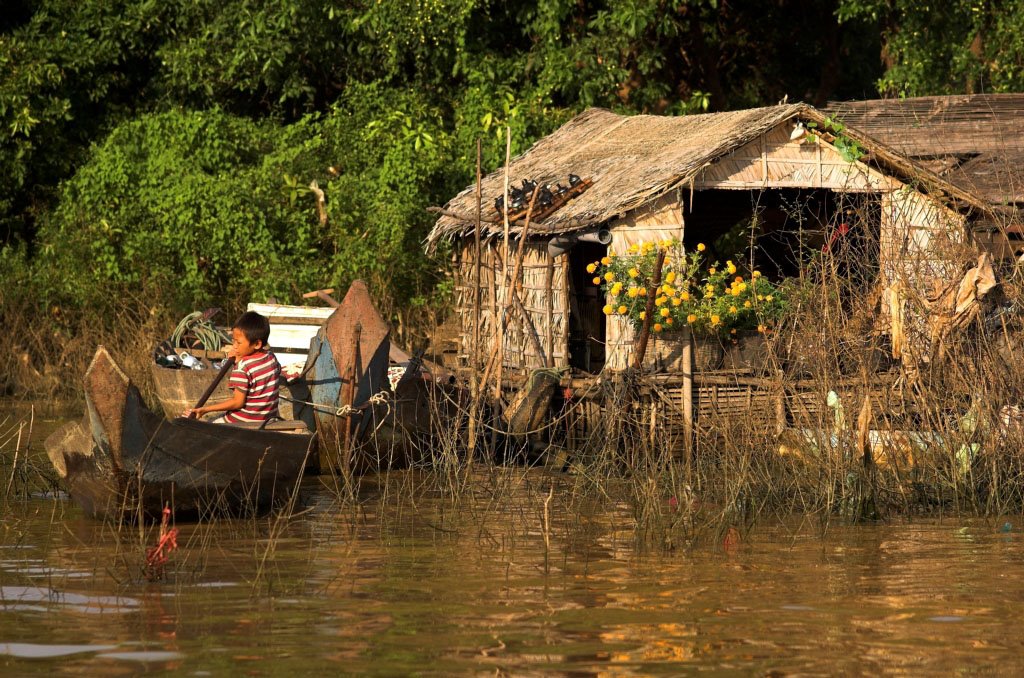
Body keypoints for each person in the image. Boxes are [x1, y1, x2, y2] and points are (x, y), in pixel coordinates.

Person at [184, 311, 281, 424]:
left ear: (257, 344)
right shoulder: (271, 357)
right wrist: (239, 360)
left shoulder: (243, 368)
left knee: (211, 422)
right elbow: (272, 373)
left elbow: (237, 402)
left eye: (238, 343)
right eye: (233, 341)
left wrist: (205, 410)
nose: (234, 346)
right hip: (268, 419)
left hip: (245, 421)